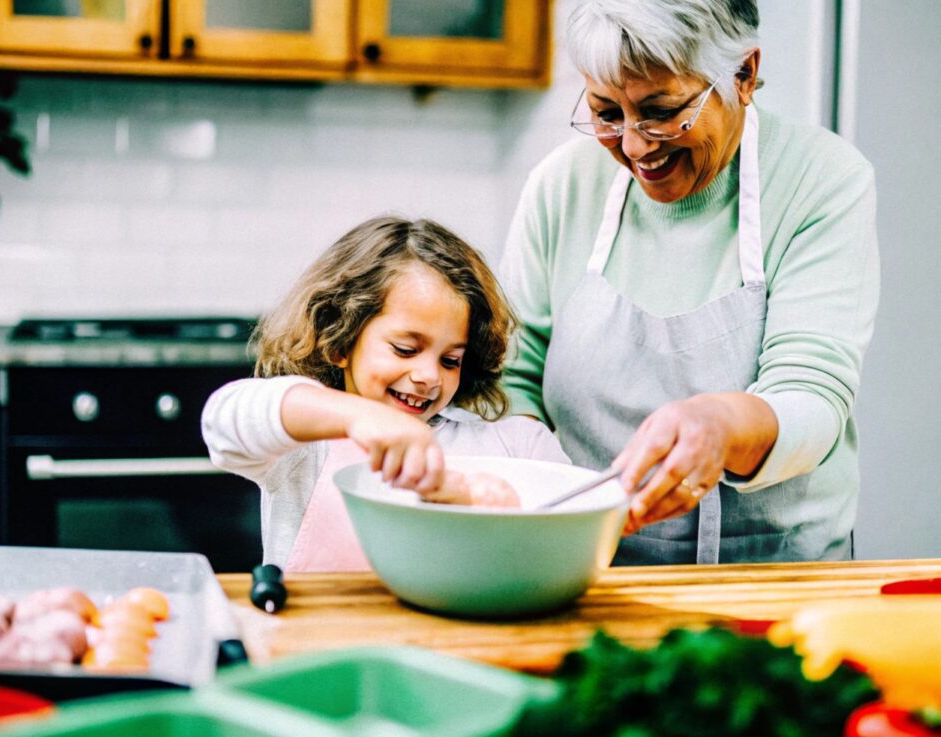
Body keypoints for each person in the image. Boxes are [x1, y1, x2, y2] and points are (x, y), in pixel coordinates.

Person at [500, 0, 879, 564]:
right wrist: (559, 501)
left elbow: (813, 393)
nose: (633, 145)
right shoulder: (562, 187)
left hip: (777, 576)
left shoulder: (820, 179)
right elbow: (511, 376)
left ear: (743, 75)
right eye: (607, 113)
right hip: (580, 565)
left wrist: (721, 425)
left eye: (662, 111)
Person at [202, 216, 569, 572]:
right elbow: (223, 421)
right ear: (340, 341)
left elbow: (576, 522)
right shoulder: (305, 450)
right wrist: (357, 416)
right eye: (405, 350)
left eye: (450, 360)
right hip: (324, 632)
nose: (428, 376)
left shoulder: (514, 443)